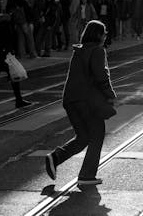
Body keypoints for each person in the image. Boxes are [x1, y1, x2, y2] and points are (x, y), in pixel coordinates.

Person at [45, 19, 117, 186]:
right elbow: (101, 76)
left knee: (84, 136)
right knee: (97, 134)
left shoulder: (78, 51)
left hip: (71, 100)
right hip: (87, 101)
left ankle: (55, 158)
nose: (105, 36)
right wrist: (111, 95)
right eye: (104, 33)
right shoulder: (98, 51)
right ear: (98, 34)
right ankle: (86, 175)